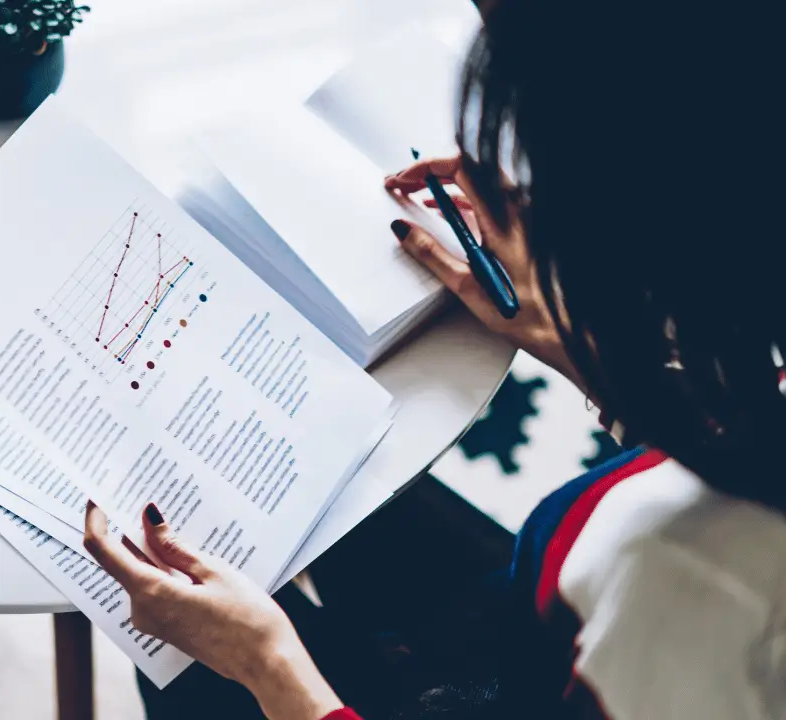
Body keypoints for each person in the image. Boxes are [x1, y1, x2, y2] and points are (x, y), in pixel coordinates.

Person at [82, 1, 786, 718]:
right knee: (351, 500)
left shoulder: (691, 587)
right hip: (534, 618)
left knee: (176, 666)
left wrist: (269, 666)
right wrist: (590, 357)